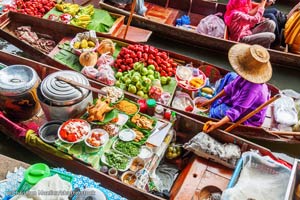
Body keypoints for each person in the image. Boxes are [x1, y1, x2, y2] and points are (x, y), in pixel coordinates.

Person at [200, 43, 273, 133]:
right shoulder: (246, 75)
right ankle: (215, 103)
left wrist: (217, 124)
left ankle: (215, 108)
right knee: (230, 75)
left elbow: (237, 111)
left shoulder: (252, 89)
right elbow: (230, 87)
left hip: (248, 114)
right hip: (245, 98)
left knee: (214, 112)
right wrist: (211, 101)